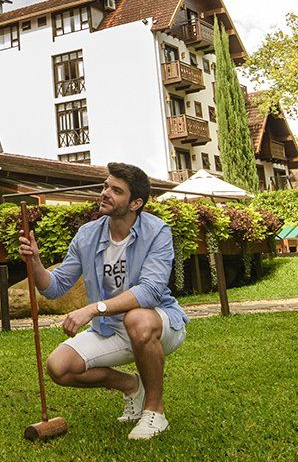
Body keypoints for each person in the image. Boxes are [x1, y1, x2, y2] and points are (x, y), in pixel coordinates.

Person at [17, 162, 188, 440]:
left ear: (135, 203)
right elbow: (55, 287)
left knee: (137, 319)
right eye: (106, 186)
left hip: (157, 324)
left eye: (116, 190)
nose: (106, 193)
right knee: (59, 367)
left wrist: (94, 309)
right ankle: (131, 385)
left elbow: (149, 292)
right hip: (109, 329)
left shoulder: (157, 232)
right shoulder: (88, 234)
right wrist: (35, 263)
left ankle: (154, 412)